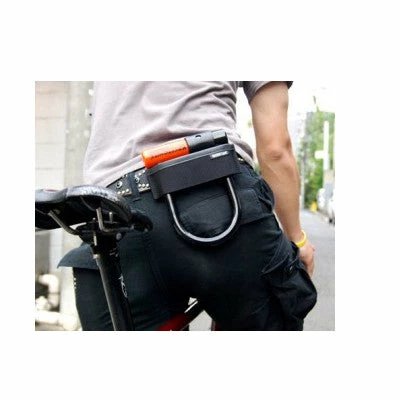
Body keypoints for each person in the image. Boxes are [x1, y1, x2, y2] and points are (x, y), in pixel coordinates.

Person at [59, 81, 317, 331]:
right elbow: (275, 149)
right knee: (276, 314)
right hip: (217, 194)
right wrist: (298, 240)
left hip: (115, 213)